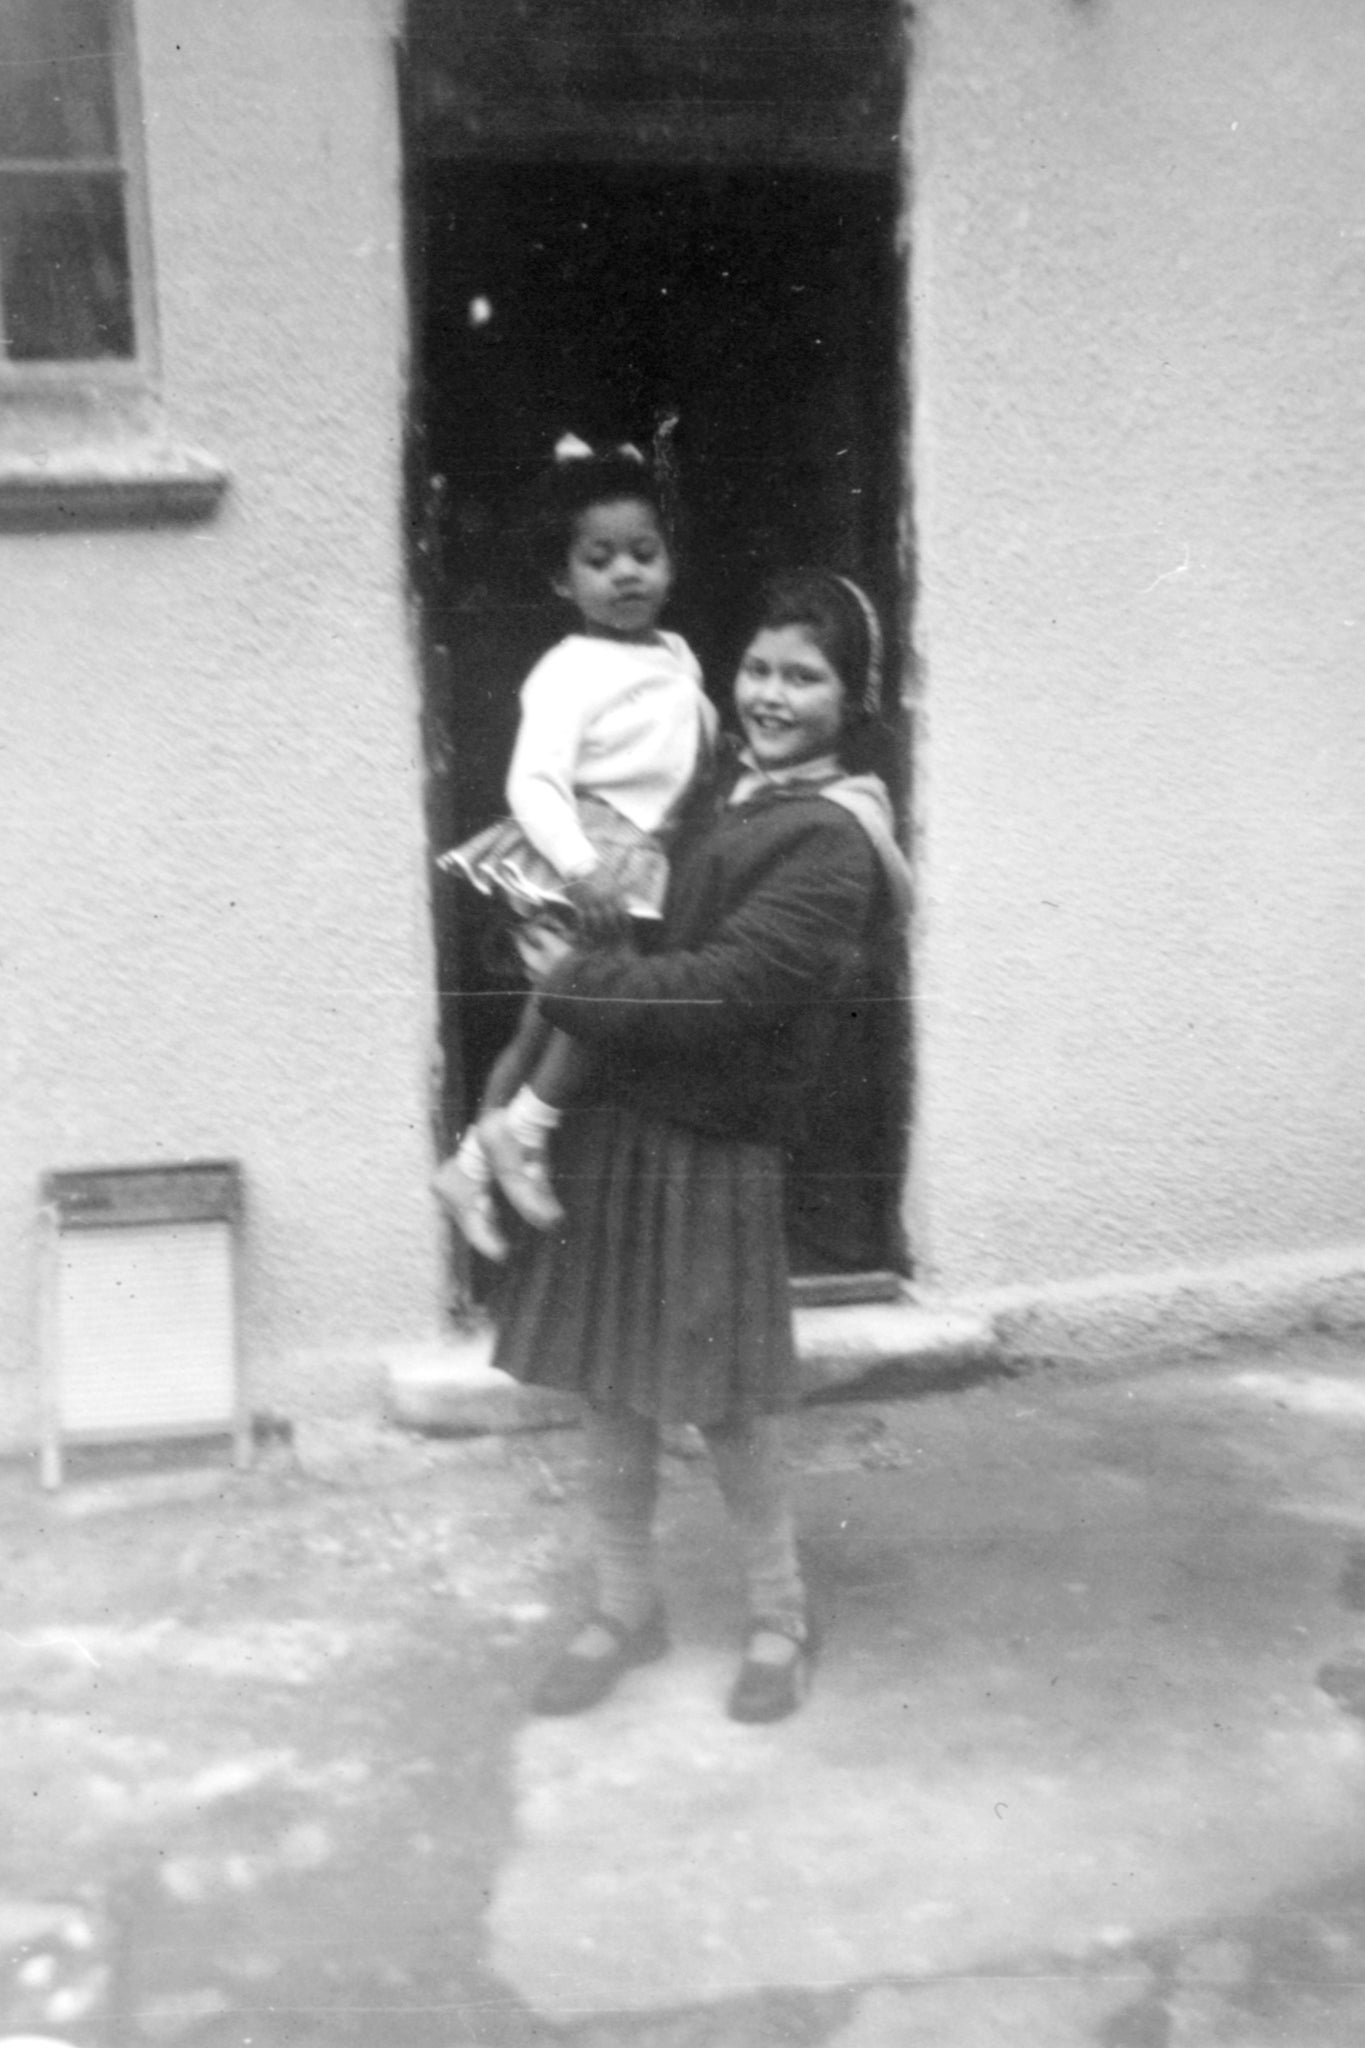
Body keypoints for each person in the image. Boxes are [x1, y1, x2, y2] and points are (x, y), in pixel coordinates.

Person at [474, 568, 913, 1724]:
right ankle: (625, 1605)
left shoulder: (835, 839)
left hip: (714, 1136)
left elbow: (724, 996)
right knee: (610, 1384)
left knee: (728, 1400)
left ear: (851, 692)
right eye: (760, 668)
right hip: (622, 1120)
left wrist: (574, 977)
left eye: (802, 675)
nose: (770, 693)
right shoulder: (730, 790)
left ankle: (781, 1614)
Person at [434, 436, 716, 1255]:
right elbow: (532, 782)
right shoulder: (569, 668)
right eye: (600, 560)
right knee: (597, 1009)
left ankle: (467, 1167)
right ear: (564, 579)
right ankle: (522, 1133)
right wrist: (581, 868)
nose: (626, 573)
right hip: (583, 857)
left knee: (544, 1021)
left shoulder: (676, 654)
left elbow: (681, 748)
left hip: (635, 852)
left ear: (669, 561)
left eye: (643, 553)